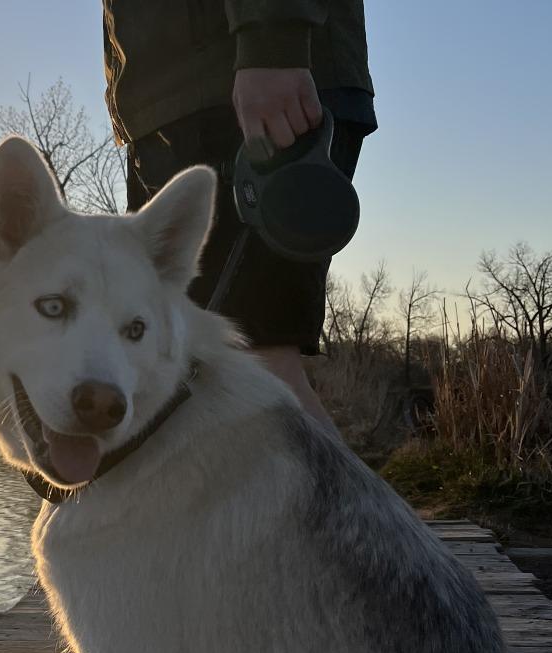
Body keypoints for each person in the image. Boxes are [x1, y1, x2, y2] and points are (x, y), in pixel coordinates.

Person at [103, 1, 376, 426]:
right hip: (167, 98)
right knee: (187, 368)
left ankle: (339, 497)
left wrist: (273, 44)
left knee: (253, 365)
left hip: (241, 76)